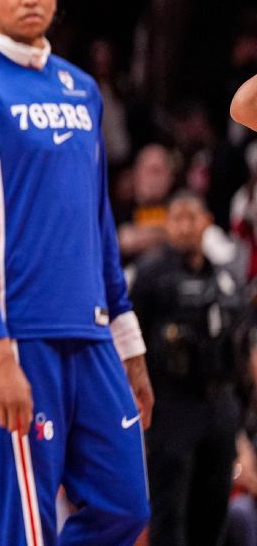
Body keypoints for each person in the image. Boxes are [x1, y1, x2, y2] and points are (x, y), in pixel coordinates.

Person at [0, 0, 153, 545]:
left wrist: (129, 345)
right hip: (11, 335)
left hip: (90, 332)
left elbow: (99, 221)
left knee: (126, 508)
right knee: (26, 528)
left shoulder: (82, 88)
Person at [129, 191, 245, 546]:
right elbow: (133, 338)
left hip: (219, 403)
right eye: (175, 218)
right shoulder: (150, 275)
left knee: (212, 509)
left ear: (206, 222)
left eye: (190, 218)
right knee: (170, 510)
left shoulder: (223, 277)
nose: (182, 227)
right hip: (171, 405)